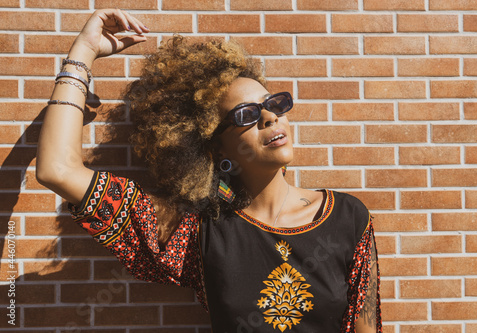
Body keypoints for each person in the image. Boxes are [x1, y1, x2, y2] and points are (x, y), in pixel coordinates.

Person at [36, 9, 382, 332]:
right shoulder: (196, 232)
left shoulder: (347, 218)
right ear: (217, 149)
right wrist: (83, 53)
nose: (270, 117)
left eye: (274, 103)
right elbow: (58, 170)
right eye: (247, 115)